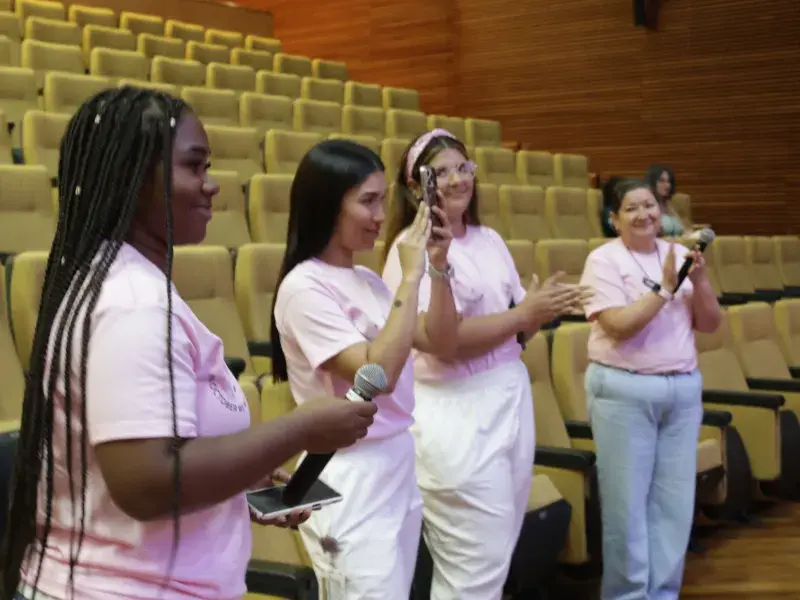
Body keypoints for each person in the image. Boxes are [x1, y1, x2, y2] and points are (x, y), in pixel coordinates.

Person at [0, 88, 377, 600]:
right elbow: (147, 483)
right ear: (135, 179)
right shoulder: (133, 302)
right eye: (194, 167)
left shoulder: (126, 283)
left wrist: (238, 474)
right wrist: (300, 427)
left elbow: (159, 451)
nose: (212, 185)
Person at [381, 129, 590, 600]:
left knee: (492, 561)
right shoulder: (405, 253)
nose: (457, 180)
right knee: (472, 567)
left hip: (508, 398)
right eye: (441, 172)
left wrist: (539, 309)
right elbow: (442, 343)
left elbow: (516, 332)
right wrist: (525, 312)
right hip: (453, 415)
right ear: (417, 188)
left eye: (463, 167)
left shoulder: (489, 239)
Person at [270, 139, 458, 599]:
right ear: (327, 205)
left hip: (395, 459)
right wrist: (410, 275)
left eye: (383, 201)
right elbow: (377, 376)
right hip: (346, 470)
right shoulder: (303, 287)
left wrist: (436, 266)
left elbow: (442, 340)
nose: (380, 216)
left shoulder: (369, 281)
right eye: (368, 201)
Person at [579, 178, 722, 600]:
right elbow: (618, 327)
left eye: (650, 205)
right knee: (627, 509)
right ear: (613, 218)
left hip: (681, 390)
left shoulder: (678, 253)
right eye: (631, 208)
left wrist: (703, 280)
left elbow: (710, 323)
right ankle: (626, 595)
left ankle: (661, 593)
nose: (644, 215)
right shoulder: (602, 260)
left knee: (673, 507)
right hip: (625, 393)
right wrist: (664, 288)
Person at [645, 163, 685, 237]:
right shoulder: (646, 206)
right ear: (652, 182)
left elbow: (683, 230)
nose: (667, 185)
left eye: (668, 181)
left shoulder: (669, 204)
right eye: (662, 181)